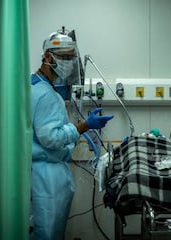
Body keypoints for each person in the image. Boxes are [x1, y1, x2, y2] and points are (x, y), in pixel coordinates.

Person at [30, 28, 114, 240]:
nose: (69, 62)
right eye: (65, 57)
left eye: (71, 58)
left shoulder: (33, 86)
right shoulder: (46, 95)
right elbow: (51, 138)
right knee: (47, 234)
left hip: (39, 172)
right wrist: (83, 126)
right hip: (46, 177)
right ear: (48, 57)